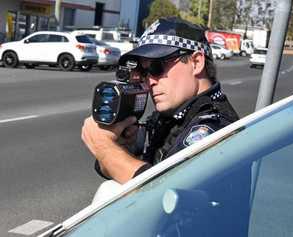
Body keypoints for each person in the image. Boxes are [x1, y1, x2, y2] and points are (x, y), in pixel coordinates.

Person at [82, 17, 251, 236]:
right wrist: (121, 147)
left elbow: (161, 191)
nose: (150, 80)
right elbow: (116, 172)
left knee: (109, 192)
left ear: (196, 62)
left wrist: (105, 148)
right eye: (144, 72)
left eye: (157, 67)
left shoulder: (214, 125)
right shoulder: (171, 117)